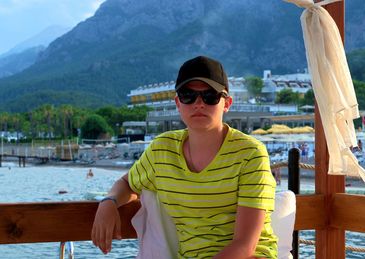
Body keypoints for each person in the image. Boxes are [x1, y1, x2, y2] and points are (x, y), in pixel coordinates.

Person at [91, 56, 277, 258]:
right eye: (188, 95)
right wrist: (108, 203)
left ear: (227, 103)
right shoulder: (162, 151)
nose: (199, 103)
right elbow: (127, 183)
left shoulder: (250, 154)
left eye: (210, 96)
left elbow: (245, 245)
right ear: (178, 103)